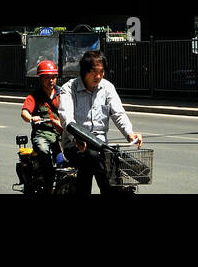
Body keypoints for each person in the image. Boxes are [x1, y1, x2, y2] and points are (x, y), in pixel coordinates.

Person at [58, 50, 143, 195]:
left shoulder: (107, 87)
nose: (98, 76)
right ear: (84, 71)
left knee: (113, 165)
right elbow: (66, 118)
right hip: (75, 145)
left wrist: (130, 133)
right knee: (91, 157)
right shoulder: (69, 89)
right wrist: (77, 137)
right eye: (93, 72)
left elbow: (118, 113)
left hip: (102, 146)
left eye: (101, 72)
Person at [20, 60, 63, 193]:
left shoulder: (62, 94)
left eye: (53, 77)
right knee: (44, 152)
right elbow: (24, 112)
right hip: (42, 134)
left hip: (60, 132)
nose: (51, 80)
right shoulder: (35, 96)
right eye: (47, 77)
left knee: (65, 158)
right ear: (41, 78)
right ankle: (48, 185)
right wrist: (31, 117)